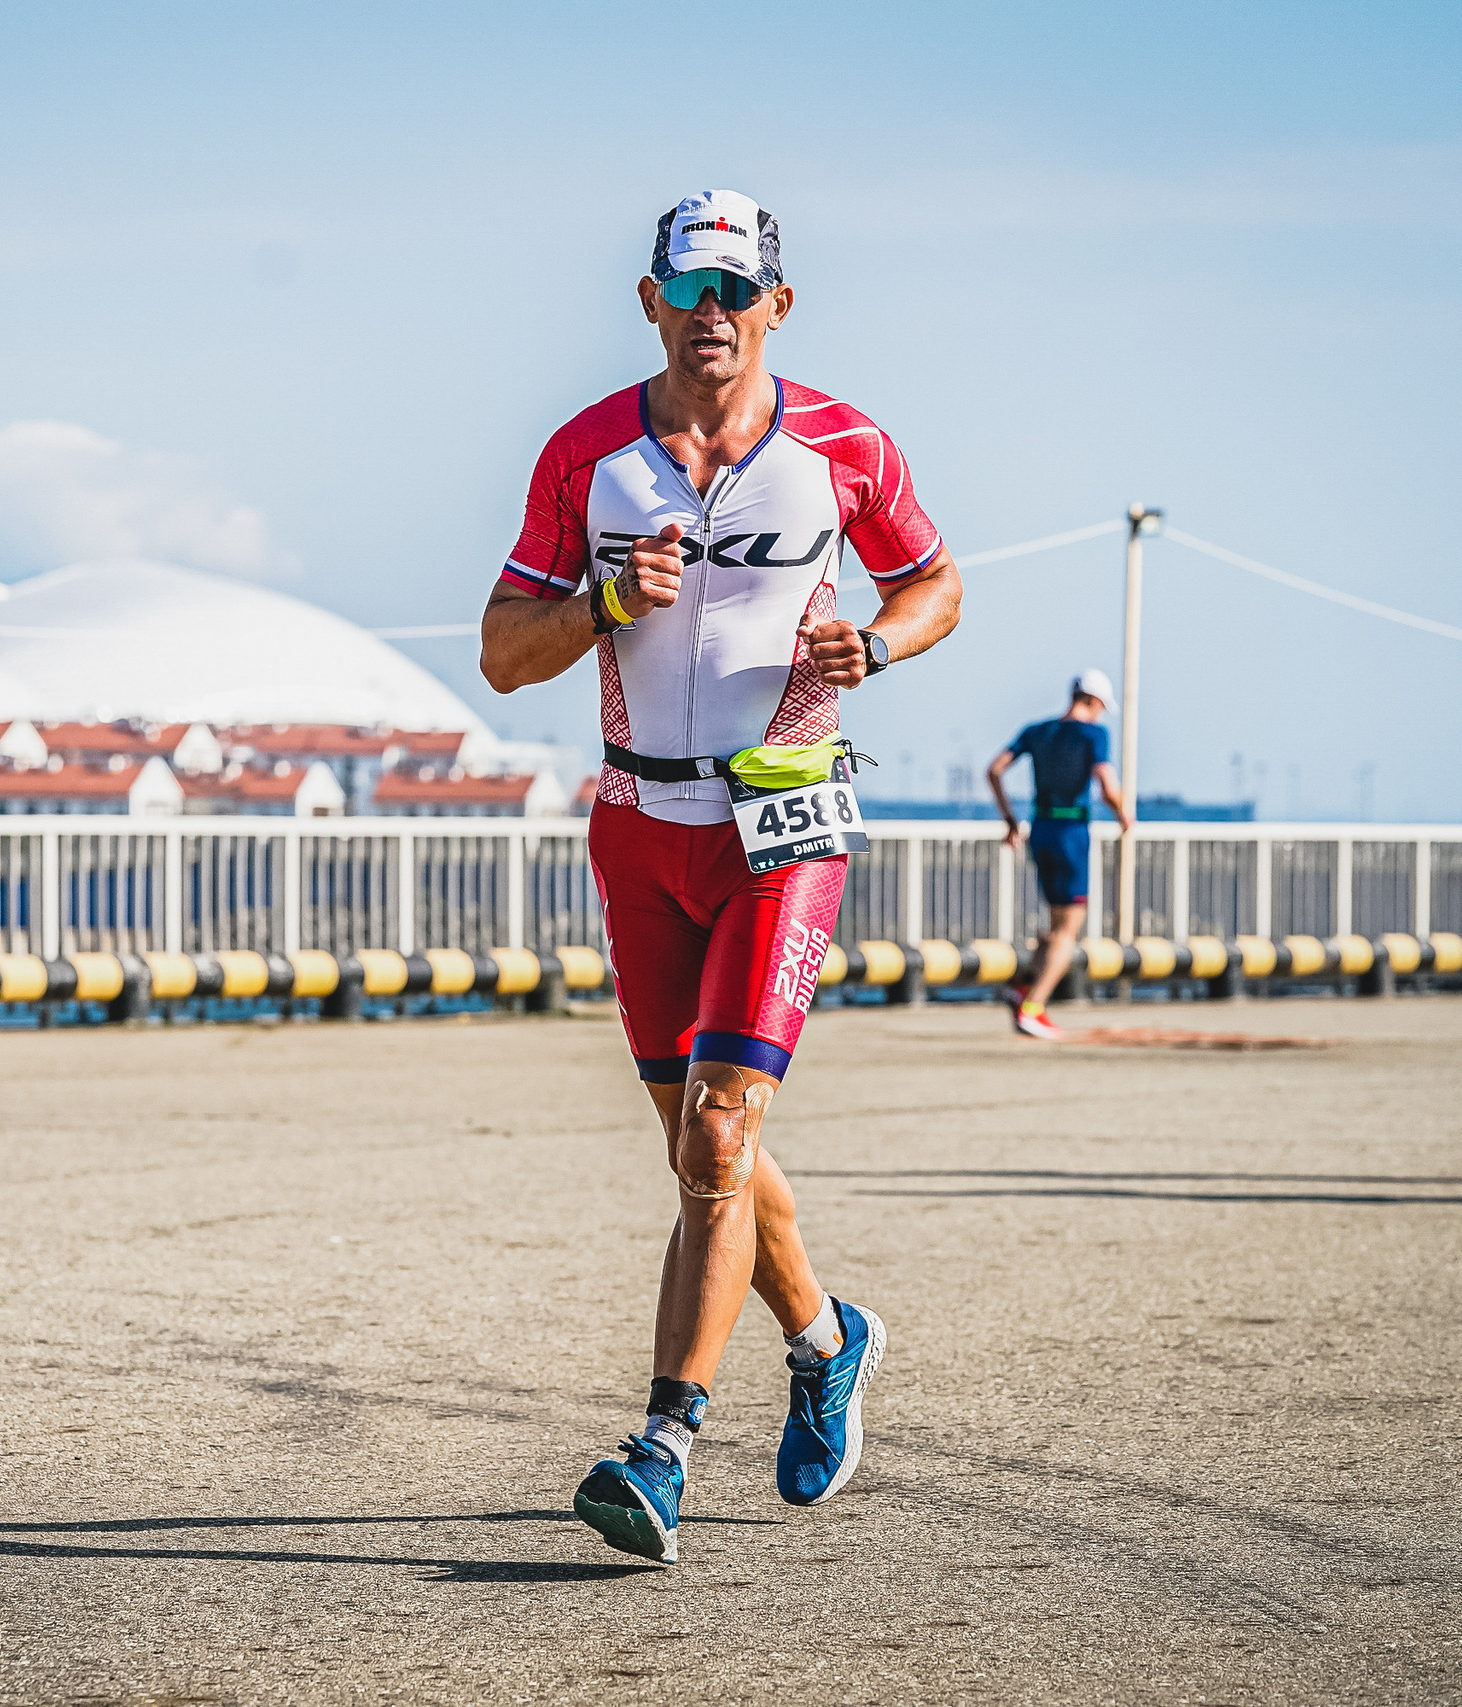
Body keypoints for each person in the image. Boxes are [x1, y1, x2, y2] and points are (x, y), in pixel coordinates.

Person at [479, 188, 962, 1563]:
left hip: (787, 816)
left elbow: (936, 584)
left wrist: (880, 641)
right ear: (647, 301)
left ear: (777, 308)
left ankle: (664, 1443)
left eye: (737, 294)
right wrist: (602, 604)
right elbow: (505, 652)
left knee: (716, 1140)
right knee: (705, 1148)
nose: (712, 317)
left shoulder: (845, 442)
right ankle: (826, 1338)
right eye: (688, 292)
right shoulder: (587, 455)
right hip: (640, 825)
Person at [987, 672, 1131, 1041]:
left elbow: (995, 769)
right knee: (1069, 929)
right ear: (1095, 702)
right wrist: (1123, 816)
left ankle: (1021, 986)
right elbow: (1106, 783)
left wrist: (1009, 821)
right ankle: (1033, 1008)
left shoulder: (1038, 730)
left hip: (1041, 829)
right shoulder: (1093, 734)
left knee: (1055, 922)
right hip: (1070, 832)